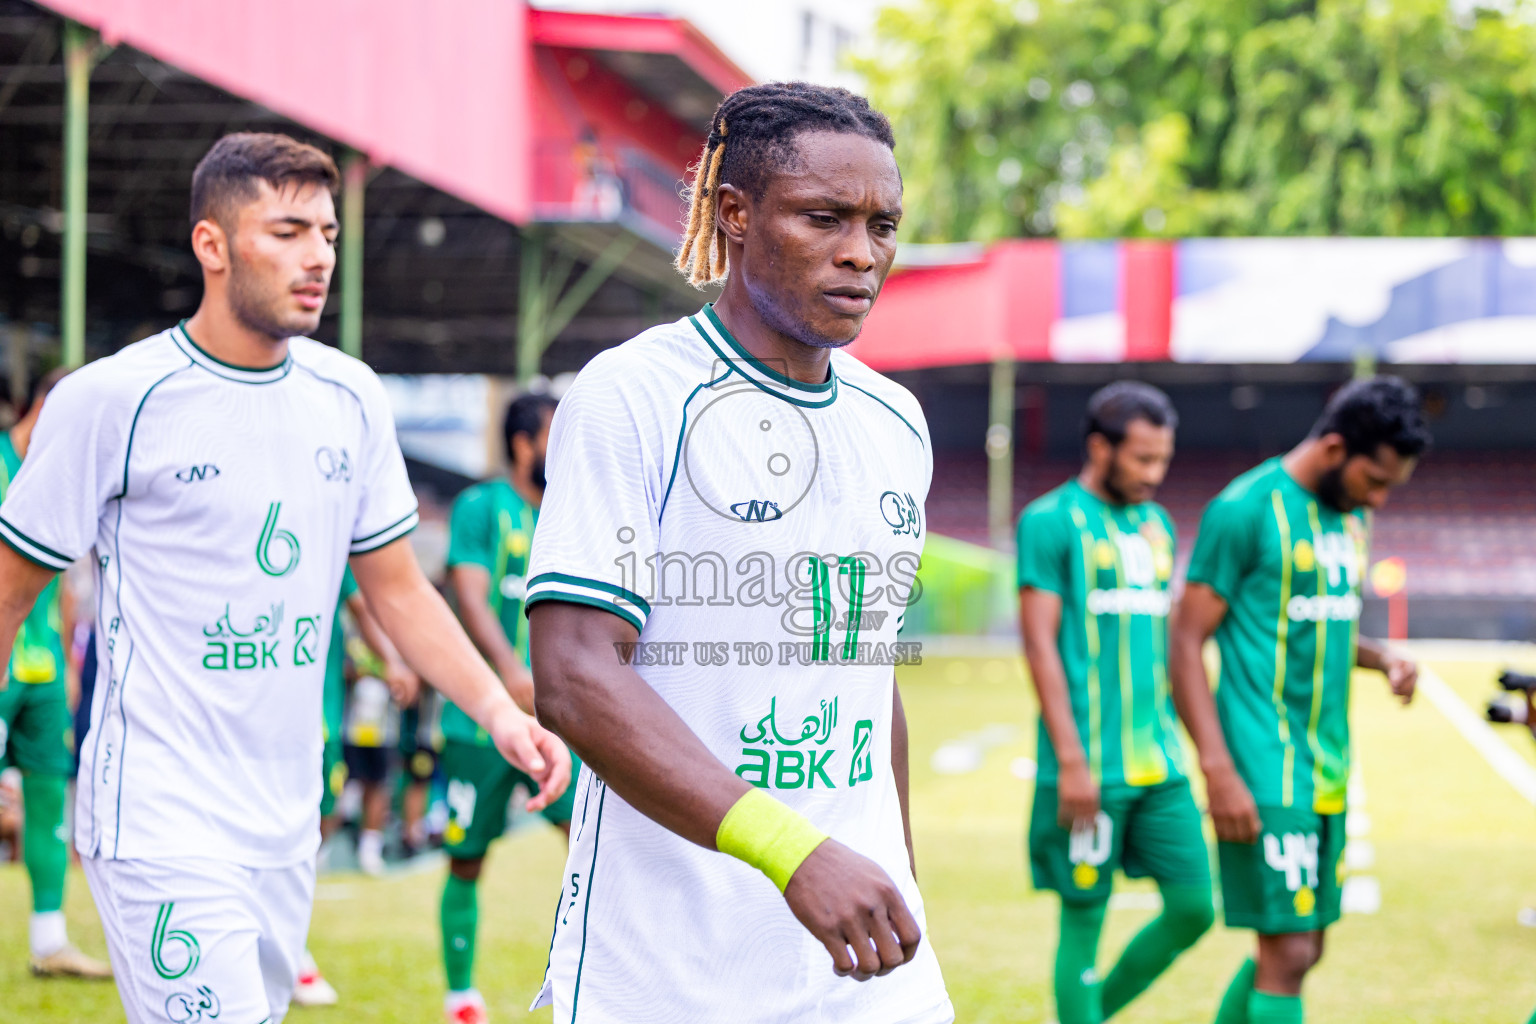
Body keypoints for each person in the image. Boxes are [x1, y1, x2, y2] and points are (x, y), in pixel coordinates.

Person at [0, 132, 569, 1024]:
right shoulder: (114, 400)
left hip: (285, 815)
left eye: (329, 234)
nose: (318, 257)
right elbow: (9, 591)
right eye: (288, 230)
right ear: (213, 246)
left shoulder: (349, 398)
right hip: (157, 815)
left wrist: (499, 709)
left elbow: (397, 590)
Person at [526, 82, 952, 1024]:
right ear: (734, 214)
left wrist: (900, 872)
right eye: (824, 218)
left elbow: (868, 675)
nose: (861, 253)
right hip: (673, 959)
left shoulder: (896, 421)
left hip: (860, 955)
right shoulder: (634, 396)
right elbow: (573, 674)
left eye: (883, 225)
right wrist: (791, 850)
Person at [1169, 377, 1429, 1024]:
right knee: (1285, 952)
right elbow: (1184, 638)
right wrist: (1218, 768)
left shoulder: (1352, 517)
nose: (1381, 497)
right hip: (1263, 768)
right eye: (1375, 480)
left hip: (1329, 770)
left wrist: (1383, 657)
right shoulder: (1246, 509)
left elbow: (1323, 623)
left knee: (1304, 948)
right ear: (1336, 447)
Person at [1016, 382, 1212, 1024]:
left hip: (1161, 765)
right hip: (1087, 768)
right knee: (1084, 921)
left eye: (1163, 459)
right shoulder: (1049, 521)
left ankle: (1089, 1015)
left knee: (1194, 907)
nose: (1156, 474)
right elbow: (1040, 647)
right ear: (1100, 448)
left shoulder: (1157, 525)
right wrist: (1072, 763)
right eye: (1142, 459)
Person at [439, 391, 576, 1024]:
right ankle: (462, 994)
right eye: (555, 432)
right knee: (467, 857)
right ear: (524, 444)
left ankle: (591, 978)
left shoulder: (568, 513)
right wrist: (509, 672)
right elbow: (468, 594)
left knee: (589, 846)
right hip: (479, 721)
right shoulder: (481, 507)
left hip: (559, 726)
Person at [0, 368, 111, 979]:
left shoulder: (67, 475)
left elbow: (70, 580)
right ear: (44, 406)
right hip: (2, 661)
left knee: (47, 800)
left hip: (41, 673)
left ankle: (49, 944)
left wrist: (70, 662)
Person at [293, 566, 419, 1005]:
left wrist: (387, 661)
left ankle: (287, 946)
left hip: (315, 714)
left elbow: (362, 605)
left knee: (318, 816)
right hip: (283, 712)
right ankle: (284, 950)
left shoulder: (332, 535)